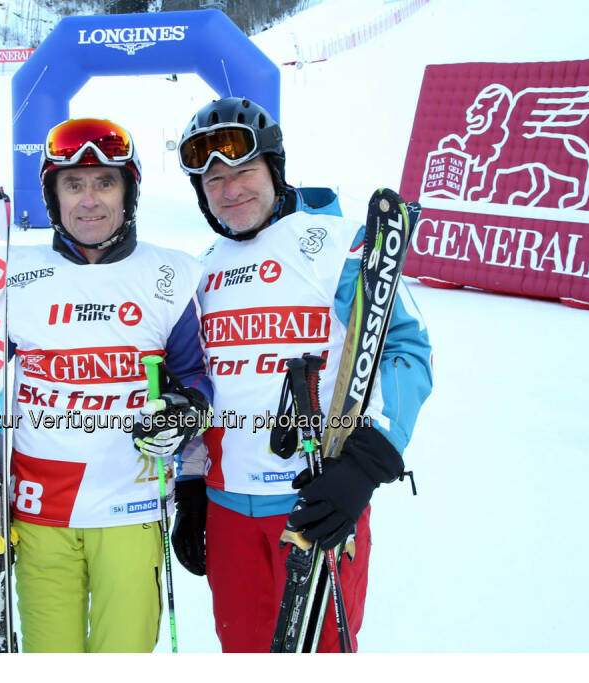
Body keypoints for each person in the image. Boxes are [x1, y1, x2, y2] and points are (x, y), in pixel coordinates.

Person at [0, 117, 213, 652]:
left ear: (128, 192)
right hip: (39, 513)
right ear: (53, 196)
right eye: (73, 184)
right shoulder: (13, 274)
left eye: (105, 182)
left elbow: (195, 374)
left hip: (132, 508)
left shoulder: (170, 274)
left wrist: (186, 409)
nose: (90, 200)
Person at [172, 97, 433, 652]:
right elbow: (200, 385)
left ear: (275, 168)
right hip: (226, 511)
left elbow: (406, 348)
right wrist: (190, 485)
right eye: (213, 179)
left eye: (244, 171)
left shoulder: (336, 245)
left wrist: (366, 463)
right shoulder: (203, 269)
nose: (231, 189)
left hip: (318, 501)